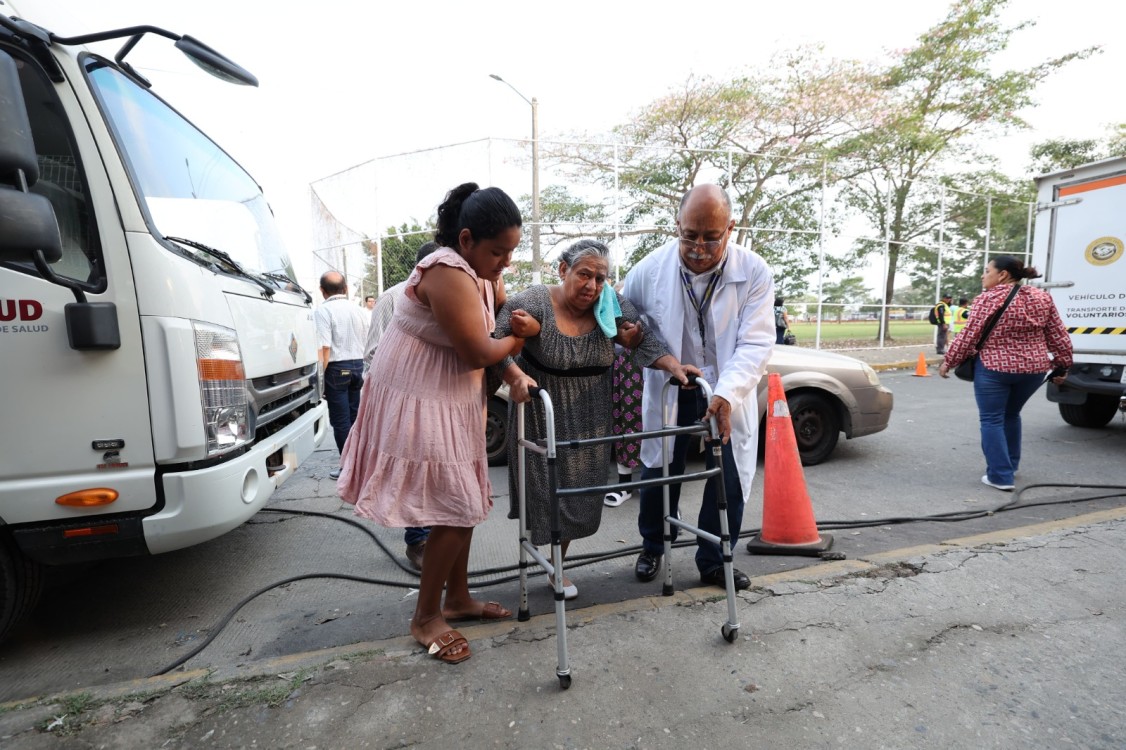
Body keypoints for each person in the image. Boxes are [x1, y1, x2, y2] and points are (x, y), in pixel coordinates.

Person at [337, 182, 534, 664]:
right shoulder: (446, 270)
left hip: (451, 397)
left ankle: (458, 599)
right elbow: (478, 350)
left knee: (461, 503)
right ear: (465, 240)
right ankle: (426, 617)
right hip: (421, 397)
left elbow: (499, 301)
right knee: (457, 506)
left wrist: (498, 277)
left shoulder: (476, 269)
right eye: (497, 251)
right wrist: (521, 340)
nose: (504, 262)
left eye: (511, 252)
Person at [494, 239, 691, 599]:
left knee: (582, 497)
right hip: (542, 413)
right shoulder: (535, 300)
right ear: (563, 269)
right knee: (545, 496)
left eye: (600, 278)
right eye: (584, 274)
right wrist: (515, 376)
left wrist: (673, 367)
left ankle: (558, 563)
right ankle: (550, 562)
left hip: (592, 414)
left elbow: (644, 341)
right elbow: (494, 342)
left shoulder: (609, 305)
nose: (592, 286)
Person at [622, 184, 775, 591]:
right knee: (659, 468)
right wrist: (636, 337)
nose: (699, 247)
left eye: (712, 236)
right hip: (671, 386)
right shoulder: (649, 270)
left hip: (725, 388)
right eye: (689, 235)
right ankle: (653, 545)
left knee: (727, 474)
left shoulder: (754, 271)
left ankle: (713, 558)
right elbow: (620, 311)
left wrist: (727, 393)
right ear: (677, 226)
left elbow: (757, 342)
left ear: (731, 228)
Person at [938, 255, 1072, 491]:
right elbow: (1058, 334)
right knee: (1011, 415)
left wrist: (949, 361)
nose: (983, 275)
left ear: (1002, 275)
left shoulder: (987, 299)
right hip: (1034, 370)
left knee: (992, 419)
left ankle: (1000, 476)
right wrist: (1063, 365)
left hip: (995, 368)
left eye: (987, 270)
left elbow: (969, 335)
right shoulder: (1042, 298)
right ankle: (1010, 465)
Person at [362, 241, 440, 571]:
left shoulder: (451, 299)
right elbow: (372, 353)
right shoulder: (393, 298)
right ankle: (418, 540)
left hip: (440, 398)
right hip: (404, 399)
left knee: (437, 468)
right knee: (415, 468)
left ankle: (434, 534)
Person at [315, 271, 370, 480]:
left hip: (337, 369)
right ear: (345, 289)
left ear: (322, 291)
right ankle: (359, 464)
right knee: (354, 418)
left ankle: (347, 468)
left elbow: (325, 348)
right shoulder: (358, 310)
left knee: (340, 421)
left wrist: (320, 381)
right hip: (358, 367)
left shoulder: (324, 311)